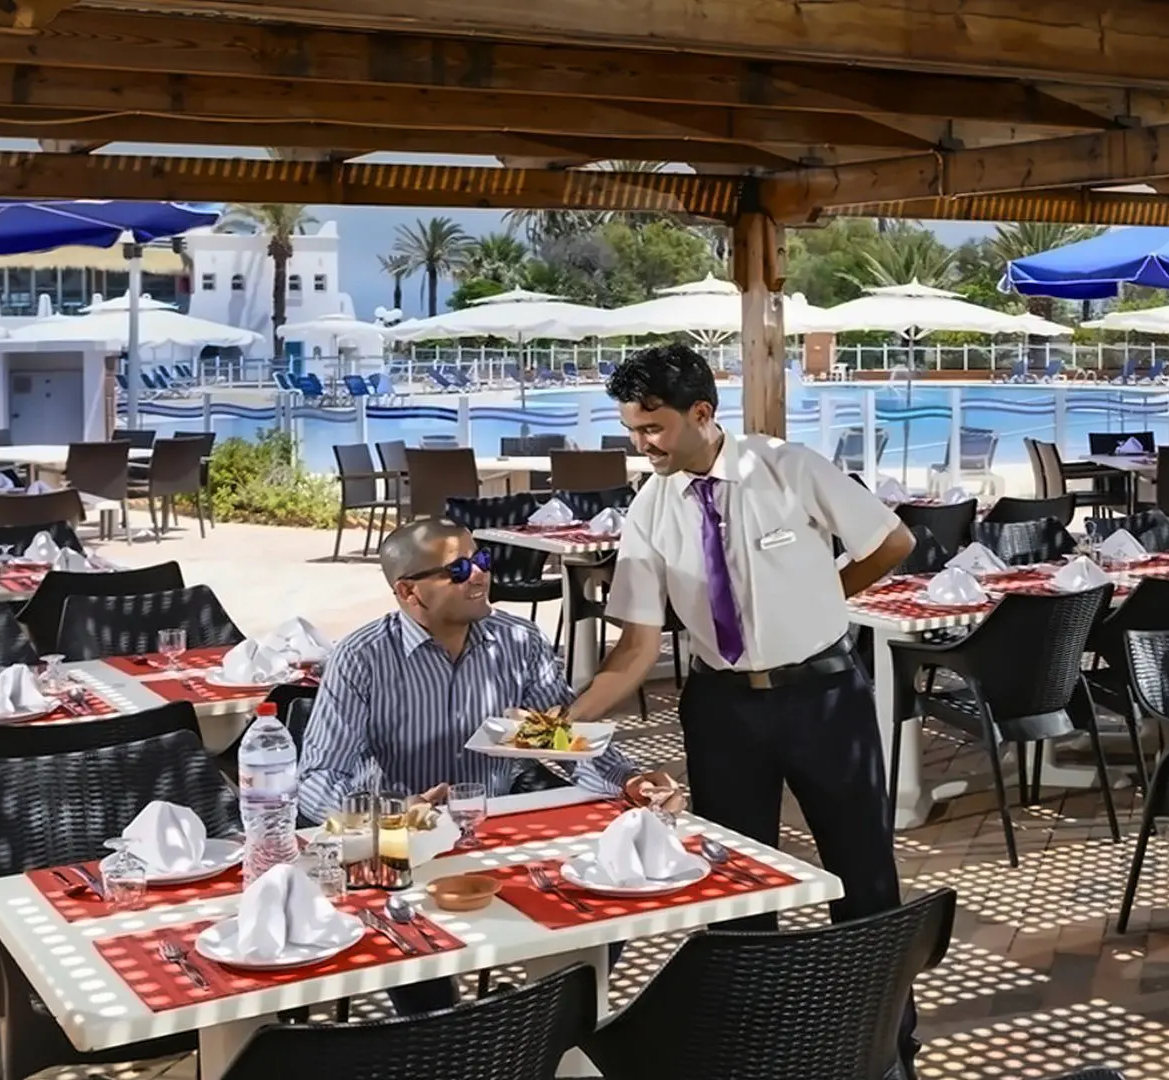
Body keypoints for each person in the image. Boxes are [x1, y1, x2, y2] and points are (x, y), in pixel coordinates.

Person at [567, 344, 923, 1075]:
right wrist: (563, 723)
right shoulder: (650, 508)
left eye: (653, 428)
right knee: (739, 887)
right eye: (632, 430)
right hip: (722, 710)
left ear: (702, 413)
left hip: (826, 696)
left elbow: (894, 540)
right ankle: (756, 1049)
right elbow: (636, 646)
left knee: (864, 878)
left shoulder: (787, 468)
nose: (642, 444)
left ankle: (889, 1049)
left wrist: (826, 592)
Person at [298, 518, 675, 1012]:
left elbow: (561, 738)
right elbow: (317, 779)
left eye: (480, 560)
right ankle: (453, 1030)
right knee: (427, 990)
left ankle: (536, 1022)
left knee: (606, 904)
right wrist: (391, 816)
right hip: (402, 852)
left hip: (495, 838)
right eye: (458, 569)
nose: (479, 575)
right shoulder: (361, 658)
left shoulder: (519, 641)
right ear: (409, 592)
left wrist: (629, 780)